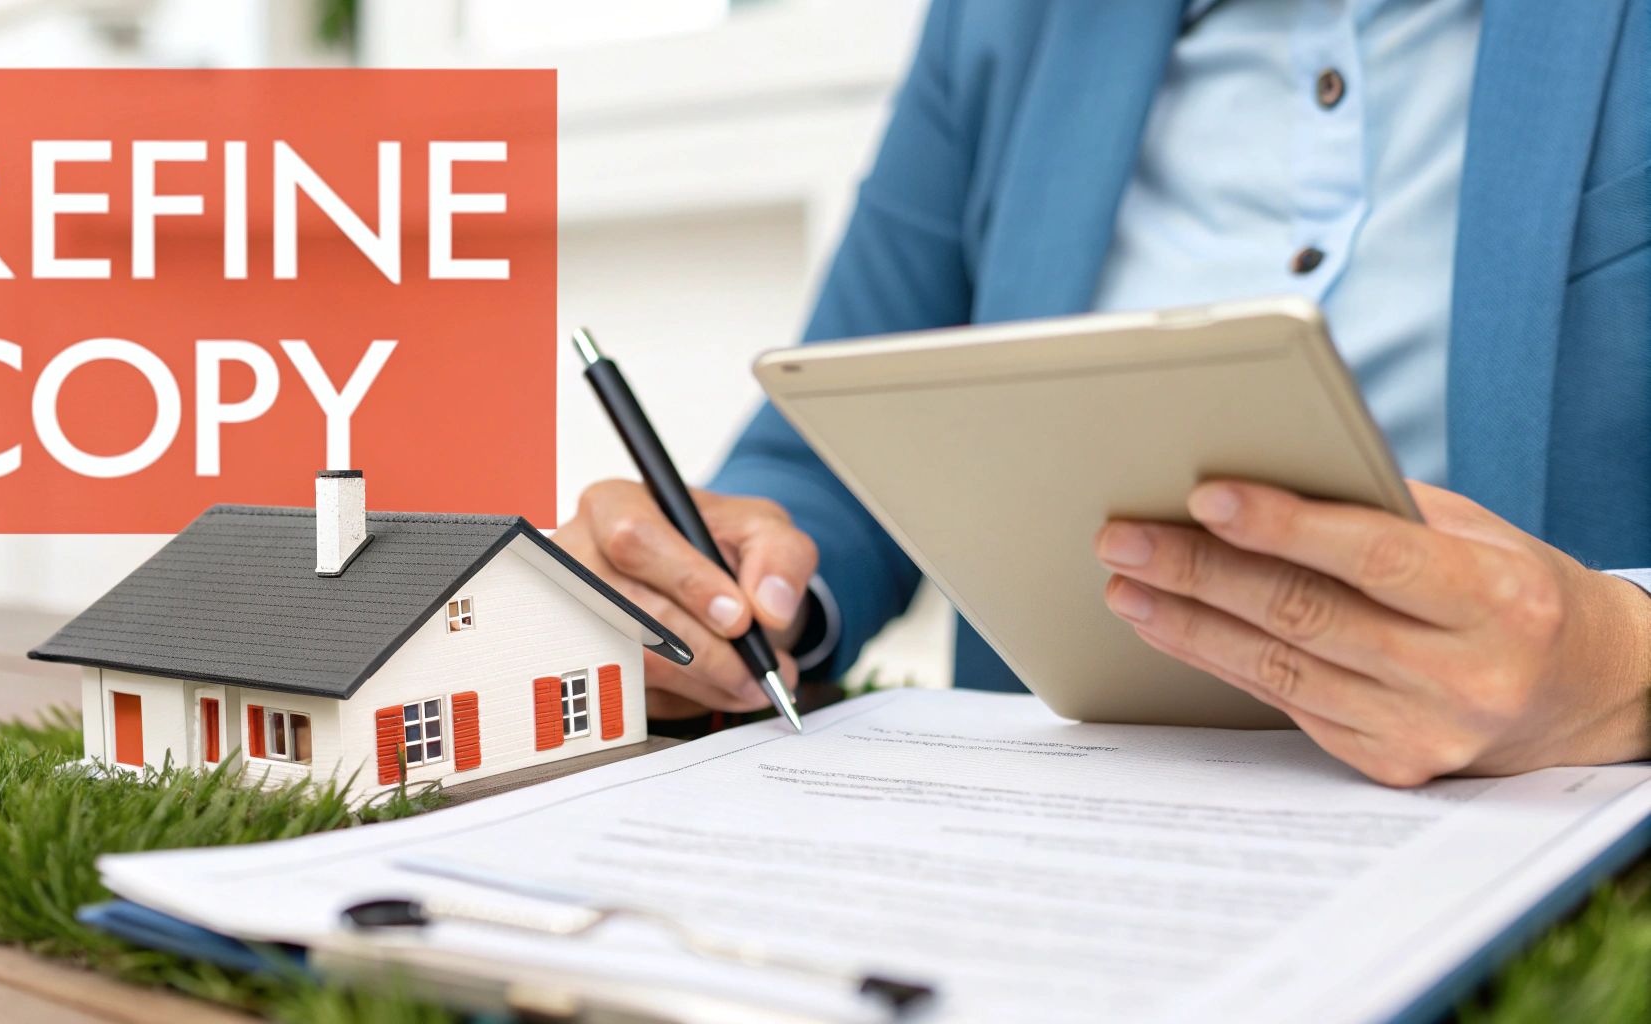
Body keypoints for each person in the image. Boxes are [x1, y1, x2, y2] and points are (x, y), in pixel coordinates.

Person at [554, 0, 1651, 785]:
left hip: (1507, 828)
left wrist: (1612, 662)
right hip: (1063, 815)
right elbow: (820, 461)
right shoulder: (1007, 22)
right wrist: (728, 584)